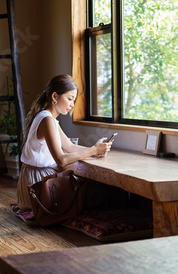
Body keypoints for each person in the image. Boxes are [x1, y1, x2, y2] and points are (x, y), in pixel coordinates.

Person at [16, 74, 112, 211]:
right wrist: (93, 151)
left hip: (37, 179)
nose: (72, 105)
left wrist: (96, 149)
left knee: (92, 192)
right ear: (55, 96)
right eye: (70, 99)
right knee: (97, 194)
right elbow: (61, 159)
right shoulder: (46, 119)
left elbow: (69, 146)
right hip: (38, 185)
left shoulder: (49, 118)